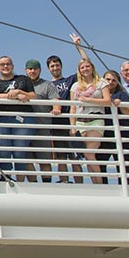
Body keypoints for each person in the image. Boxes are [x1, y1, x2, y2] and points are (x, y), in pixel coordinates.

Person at [0, 56, 35, 178]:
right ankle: (6, 178)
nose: (5, 66)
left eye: (8, 64)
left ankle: (20, 181)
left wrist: (20, 92)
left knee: (19, 151)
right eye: (2, 64)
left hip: (22, 118)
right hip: (2, 118)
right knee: (3, 151)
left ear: (12, 66)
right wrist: (14, 96)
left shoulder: (24, 79)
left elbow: (33, 95)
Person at [70, 59, 114, 184]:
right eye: (82, 67)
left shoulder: (101, 83)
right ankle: (94, 183)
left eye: (87, 66)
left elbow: (107, 101)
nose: (85, 69)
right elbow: (73, 107)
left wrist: (88, 100)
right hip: (80, 120)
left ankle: (99, 184)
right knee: (86, 155)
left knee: (89, 153)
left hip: (96, 118)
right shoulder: (75, 86)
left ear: (92, 67)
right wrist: (72, 126)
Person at [24, 59, 57, 182]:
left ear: (40, 70)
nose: (32, 71)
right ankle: (33, 185)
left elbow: (56, 101)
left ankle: (47, 185)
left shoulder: (47, 85)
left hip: (42, 128)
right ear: (26, 70)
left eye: (35, 69)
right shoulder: (21, 83)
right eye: (30, 69)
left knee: (44, 160)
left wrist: (56, 109)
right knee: (27, 161)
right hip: (25, 128)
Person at [47, 54, 79, 183]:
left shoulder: (69, 80)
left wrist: (79, 48)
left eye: (57, 65)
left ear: (61, 66)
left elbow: (86, 64)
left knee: (74, 156)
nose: (55, 68)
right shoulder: (47, 85)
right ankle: (63, 181)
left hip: (70, 121)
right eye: (52, 66)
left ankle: (79, 182)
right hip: (56, 123)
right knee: (61, 156)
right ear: (48, 69)